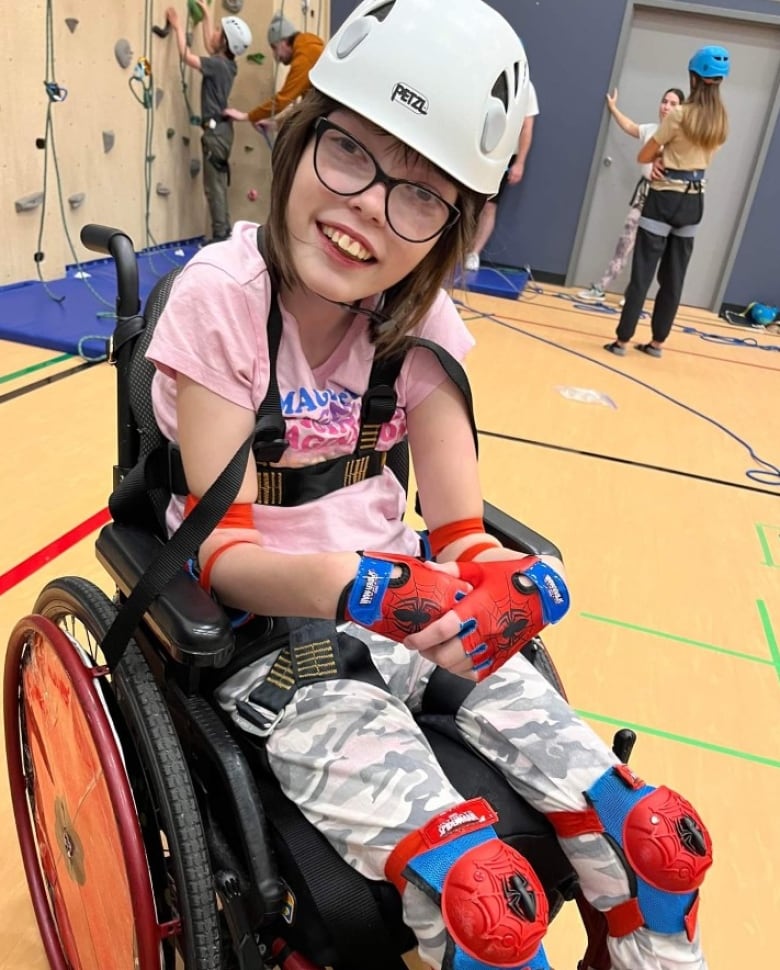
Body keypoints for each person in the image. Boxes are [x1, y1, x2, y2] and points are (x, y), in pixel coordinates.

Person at [147, 2, 713, 968]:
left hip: (415, 610)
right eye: (351, 153)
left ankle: (647, 933)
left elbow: (457, 532)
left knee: (655, 832)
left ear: (455, 224)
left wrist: (505, 579)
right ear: (300, 140)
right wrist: (358, 587)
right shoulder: (220, 302)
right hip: (279, 642)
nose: (369, 204)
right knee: (482, 901)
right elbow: (226, 554)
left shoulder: (423, 326)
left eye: (419, 194)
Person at [605, 46, 730, 358]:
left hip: (664, 198)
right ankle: (657, 343)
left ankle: (622, 341)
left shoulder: (679, 115)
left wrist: (661, 158)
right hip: (694, 203)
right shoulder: (721, 121)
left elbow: (644, 154)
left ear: (693, 77)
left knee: (643, 274)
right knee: (674, 278)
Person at [577, 86, 685, 303]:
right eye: (665, 101)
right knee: (625, 243)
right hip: (643, 197)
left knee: (651, 252)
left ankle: (634, 296)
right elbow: (630, 126)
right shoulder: (651, 130)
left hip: (665, 200)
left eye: (673, 104)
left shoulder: (681, 138)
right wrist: (613, 107)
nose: (666, 107)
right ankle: (602, 287)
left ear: (681, 109)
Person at [166, 2, 252, 242]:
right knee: (218, 183)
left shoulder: (216, 65)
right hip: (222, 131)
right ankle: (223, 231)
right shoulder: (228, 65)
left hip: (215, 134)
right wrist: (205, 14)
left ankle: (221, 235)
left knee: (213, 186)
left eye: (217, 31)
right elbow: (209, 45)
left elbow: (186, 56)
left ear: (224, 42)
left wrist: (177, 27)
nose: (212, 33)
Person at [463, 81, 538, 271]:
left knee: (488, 206)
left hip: (503, 156)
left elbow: (527, 127)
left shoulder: (525, 88)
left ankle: (474, 253)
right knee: (465, 201)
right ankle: (452, 249)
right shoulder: (487, 76)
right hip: (476, 149)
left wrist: (520, 162)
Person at [223, 11, 324, 133]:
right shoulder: (309, 47)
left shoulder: (305, 57)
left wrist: (247, 116)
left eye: (274, 48)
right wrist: (275, 124)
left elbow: (282, 100)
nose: (275, 56)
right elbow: (305, 109)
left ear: (284, 41)